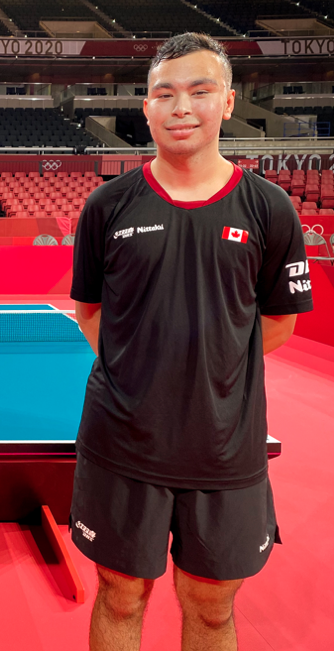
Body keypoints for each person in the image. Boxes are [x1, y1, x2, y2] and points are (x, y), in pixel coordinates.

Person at [70, 32, 313, 651]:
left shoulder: (271, 209)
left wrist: (211, 371)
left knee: (210, 608)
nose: (182, 106)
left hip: (226, 452)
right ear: (146, 107)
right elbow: (91, 312)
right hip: (122, 446)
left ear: (228, 102)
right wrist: (140, 376)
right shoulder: (106, 206)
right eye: (165, 93)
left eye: (200, 91)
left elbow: (279, 323)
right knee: (120, 595)